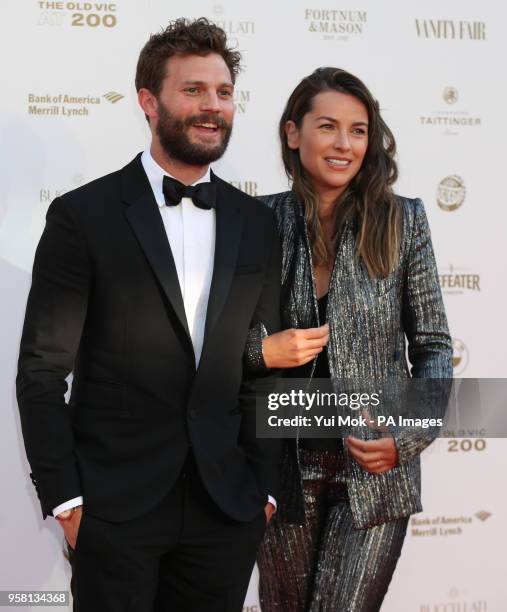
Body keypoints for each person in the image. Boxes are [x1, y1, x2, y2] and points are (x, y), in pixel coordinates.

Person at [16, 18, 282, 612]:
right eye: (192, 90)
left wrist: (263, 489)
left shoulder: (257, 224)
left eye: (222, 92)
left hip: (224, 511)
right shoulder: (83, 216)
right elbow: (40, 371)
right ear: (148, 101)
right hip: (115, 510)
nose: (212, 106)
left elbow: (261, 368)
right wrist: (67, 503)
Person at [245, 67, 453, 611]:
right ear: (294, 133)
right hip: (281, 469)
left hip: (374, 471)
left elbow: (432, 346)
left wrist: (405, 436)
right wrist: (259, 351)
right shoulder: (257, 221)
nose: (344, 144)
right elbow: (226, 342)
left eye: (358, 130)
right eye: (328, 126)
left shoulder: (402, 220)